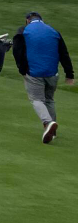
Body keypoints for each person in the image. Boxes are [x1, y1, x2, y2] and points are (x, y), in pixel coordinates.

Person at [12, 12, 75, 144]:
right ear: (42, 20)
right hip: (52, 74)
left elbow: (18, 51)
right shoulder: (53, 31)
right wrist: (69, 74)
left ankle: (48, 122)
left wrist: (22, 70)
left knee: (37, 99)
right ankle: (52, 132)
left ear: (27, 20)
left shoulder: (24, 31)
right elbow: (64, 53)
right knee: (49, 100)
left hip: (34, 73)